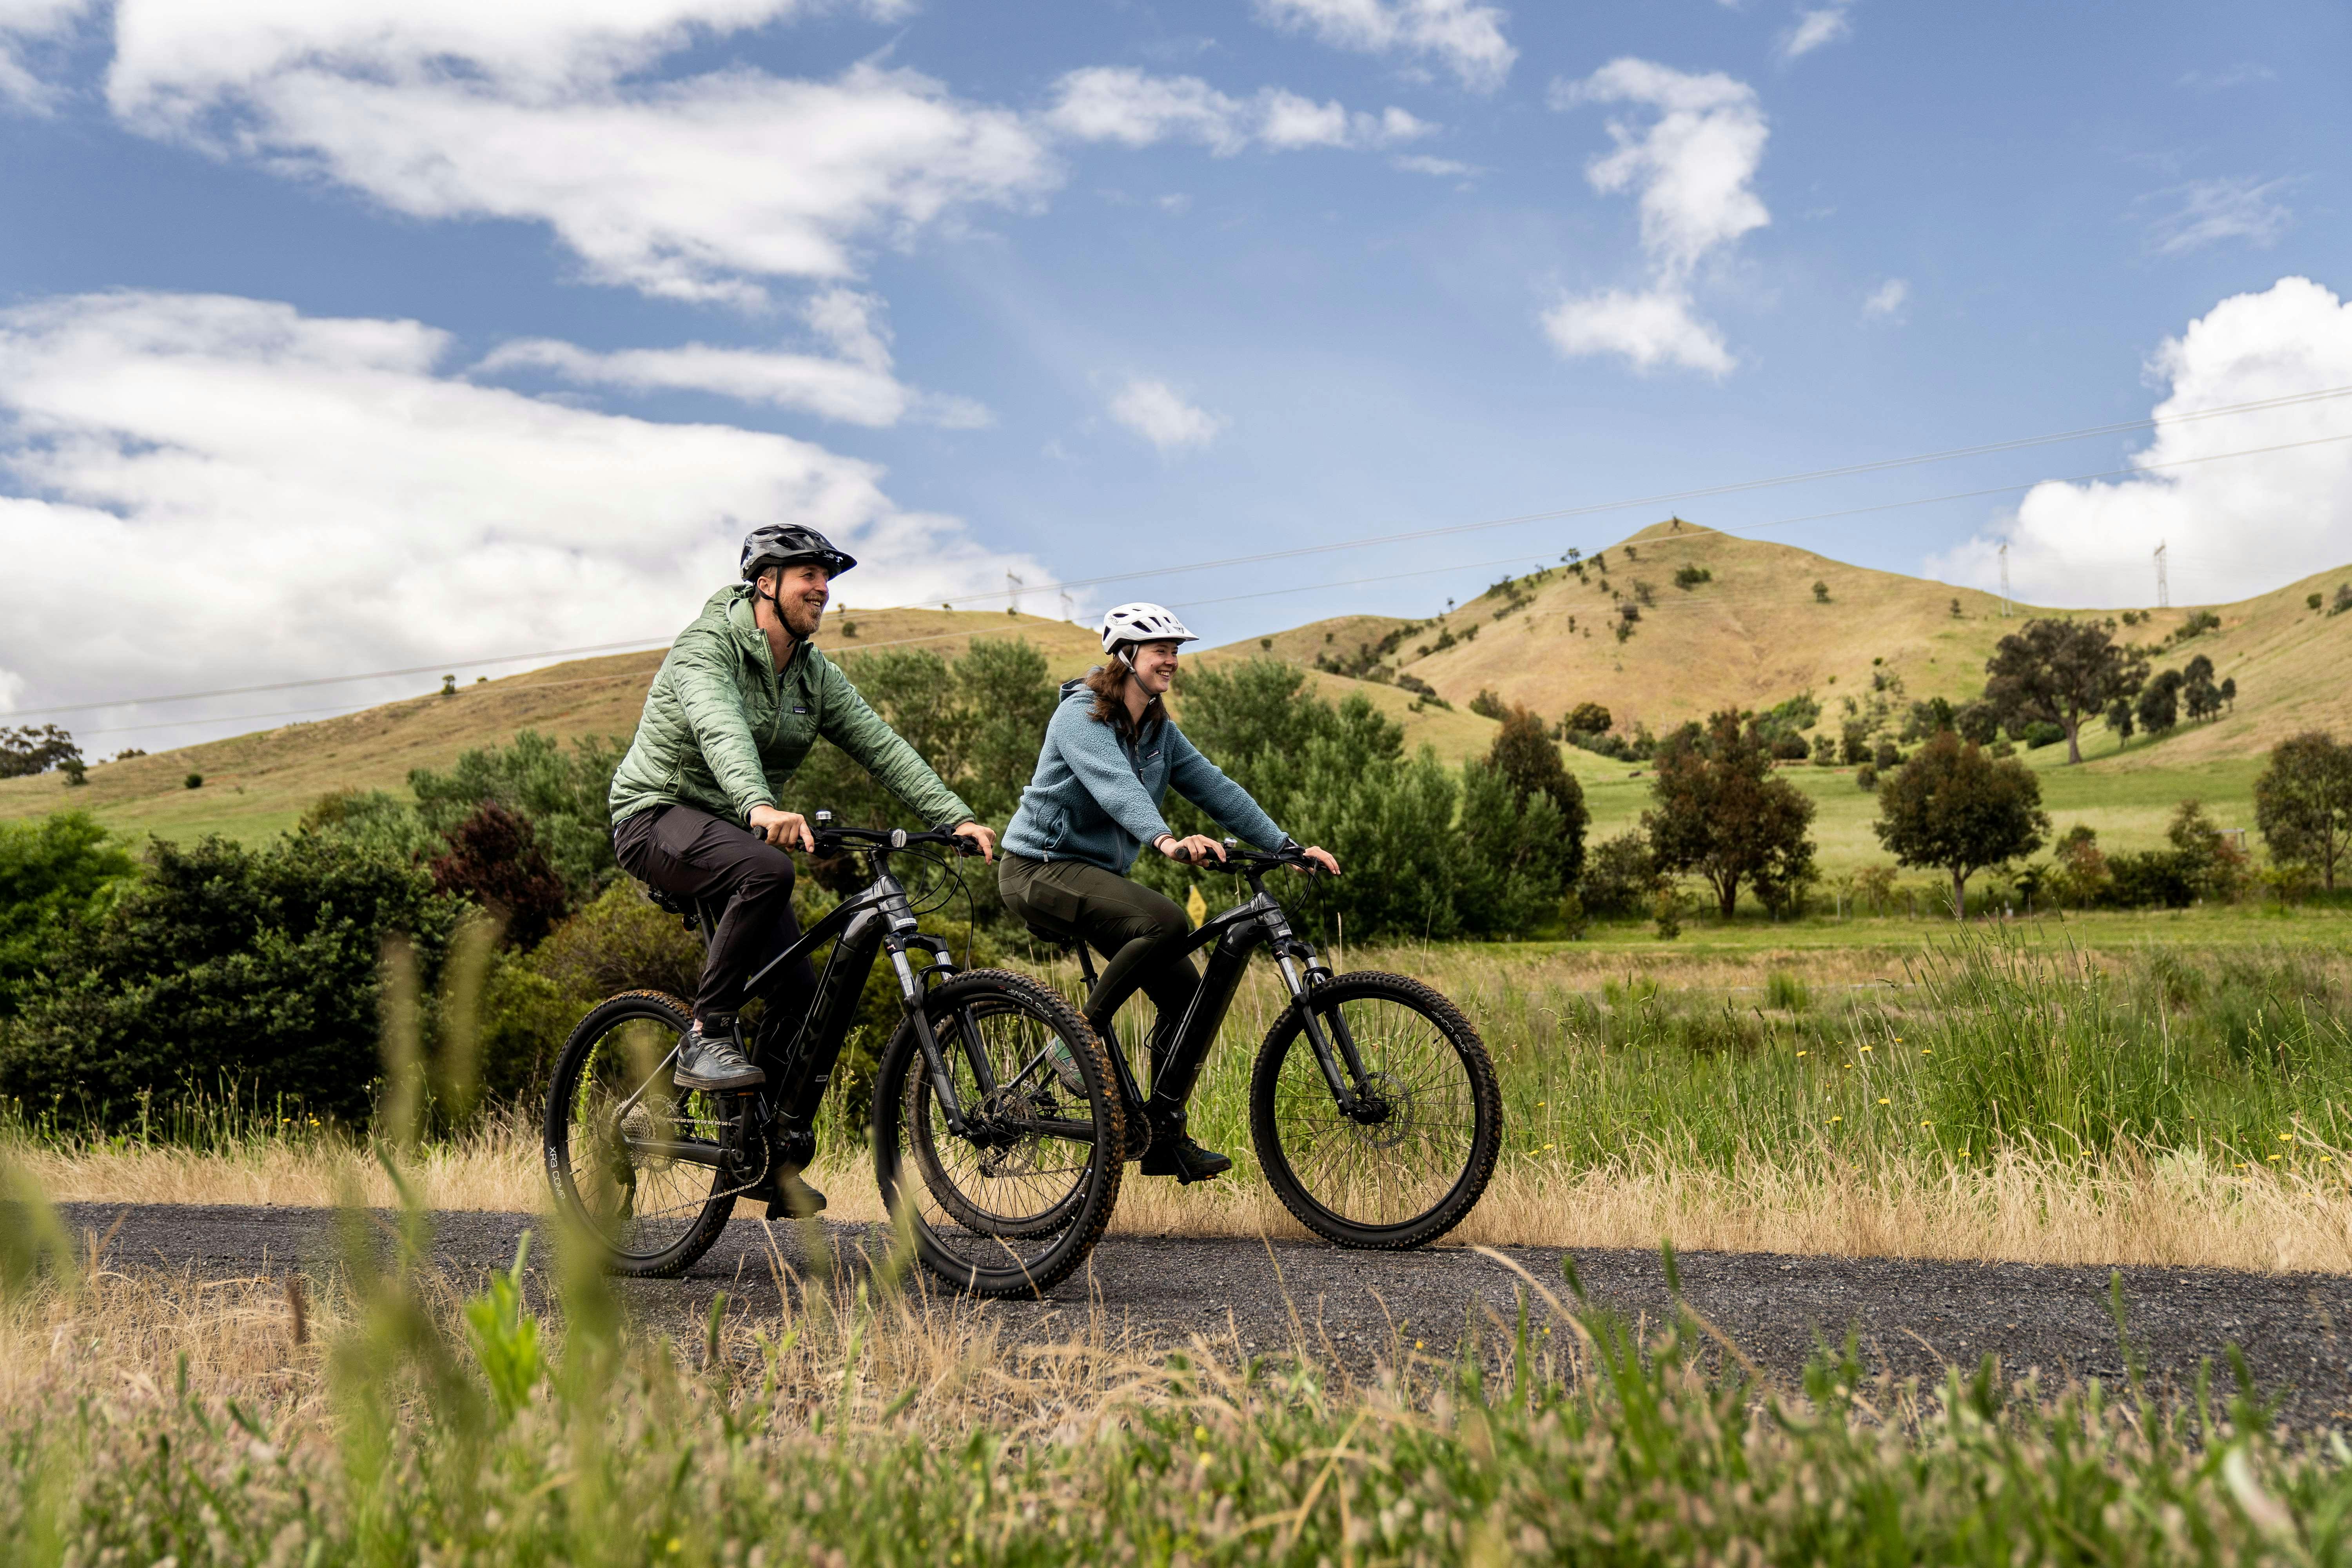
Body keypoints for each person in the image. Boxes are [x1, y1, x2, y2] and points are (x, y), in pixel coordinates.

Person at [607, 524, 995, 1112]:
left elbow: (882, 746)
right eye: (809, 575)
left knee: (796, 992)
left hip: (733, 833)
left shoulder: (815, 675)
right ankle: (707, 1035)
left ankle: (765, 1151)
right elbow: (721, 727)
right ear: (766, 582)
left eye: (826, 578)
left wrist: (954, 817)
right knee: (767, 870)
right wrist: (759, 806)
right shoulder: (707, 646)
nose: (822, 590)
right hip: (657, 813)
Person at [998, 602, 1339, 1184]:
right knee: (1166, 921)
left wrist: (1286, 846)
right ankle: (1074, 1041)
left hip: (1093, 878)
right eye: (1161, 651)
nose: (1172, 661)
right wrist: (1165, 840)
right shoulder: (1080, 716)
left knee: (1187, 994)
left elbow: (1216, 788)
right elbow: (1115, 786)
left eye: (1177, 651)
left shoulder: (1158, 731)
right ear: (1126, 657)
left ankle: (1163, 1137)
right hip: (1039, 868)